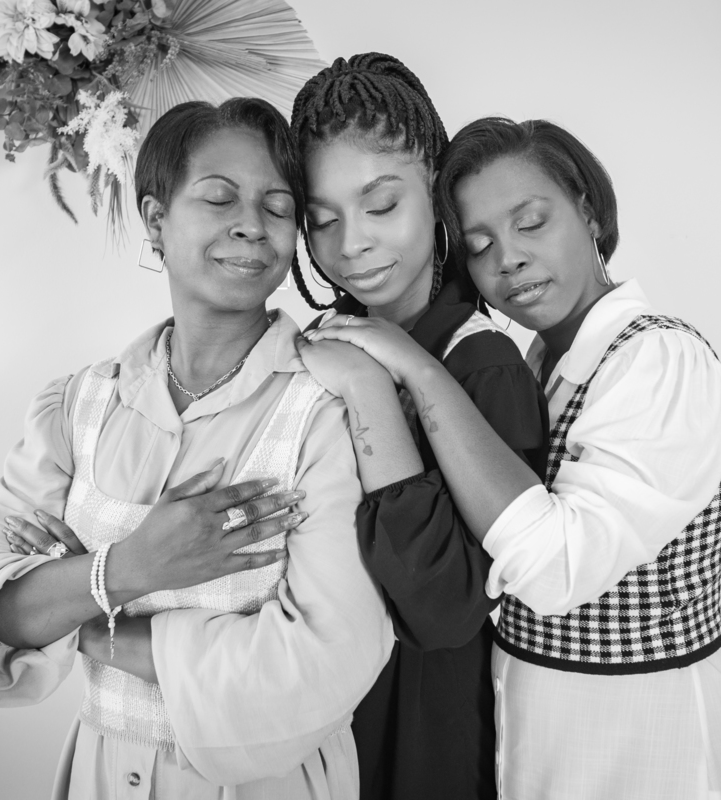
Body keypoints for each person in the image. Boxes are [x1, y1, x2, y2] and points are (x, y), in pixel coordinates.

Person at [0, 98, 394, 800]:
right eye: (219, 198)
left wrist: (88, 625)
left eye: (278, 207)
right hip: (99, 775)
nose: (252, 224)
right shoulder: (78, 405)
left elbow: (331, 658)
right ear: (155, 219)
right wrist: (128, 568)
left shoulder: (327, 411)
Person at [305, 116, 721, 799]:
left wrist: (419, 371)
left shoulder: (661, 359)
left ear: (587, 208)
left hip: (645, 736)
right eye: (480, 245)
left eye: (531, 222)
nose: (507, 259)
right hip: (532, 732)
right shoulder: (550, 360)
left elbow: (554, 568)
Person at [288, 54, 547, 800]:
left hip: (421, 738)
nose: (352, 244)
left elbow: (446, 610)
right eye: (322, 219)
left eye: (380, 205)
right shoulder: (319, 345)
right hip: (316, 721)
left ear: (434, 190)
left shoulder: (484, 366)